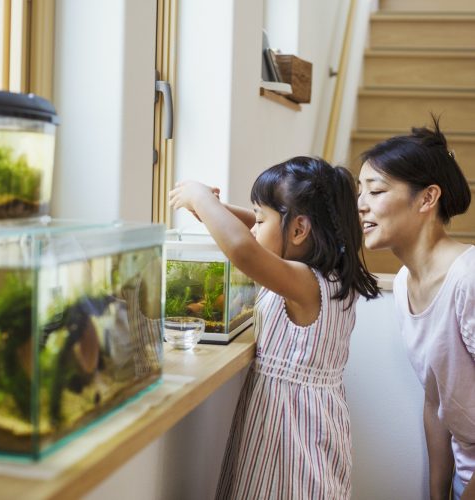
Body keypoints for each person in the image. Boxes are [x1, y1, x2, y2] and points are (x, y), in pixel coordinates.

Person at [169, 156, 380, 499]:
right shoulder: (330, 276)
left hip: (290, 437)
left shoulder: (304, 282)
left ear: (298, 229)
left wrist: (201, 198)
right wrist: (217, 211)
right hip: (311, 424)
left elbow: (244, 249)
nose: (252, 226)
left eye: (261, 218)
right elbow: (259, 230)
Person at [357, 117, 475, 500]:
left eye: (375, 191)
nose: (361, 205)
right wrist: (438, 493)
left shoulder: (468, 278)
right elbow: (435, 398)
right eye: (360, 191)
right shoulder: (408, 280)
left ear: (427, 198)